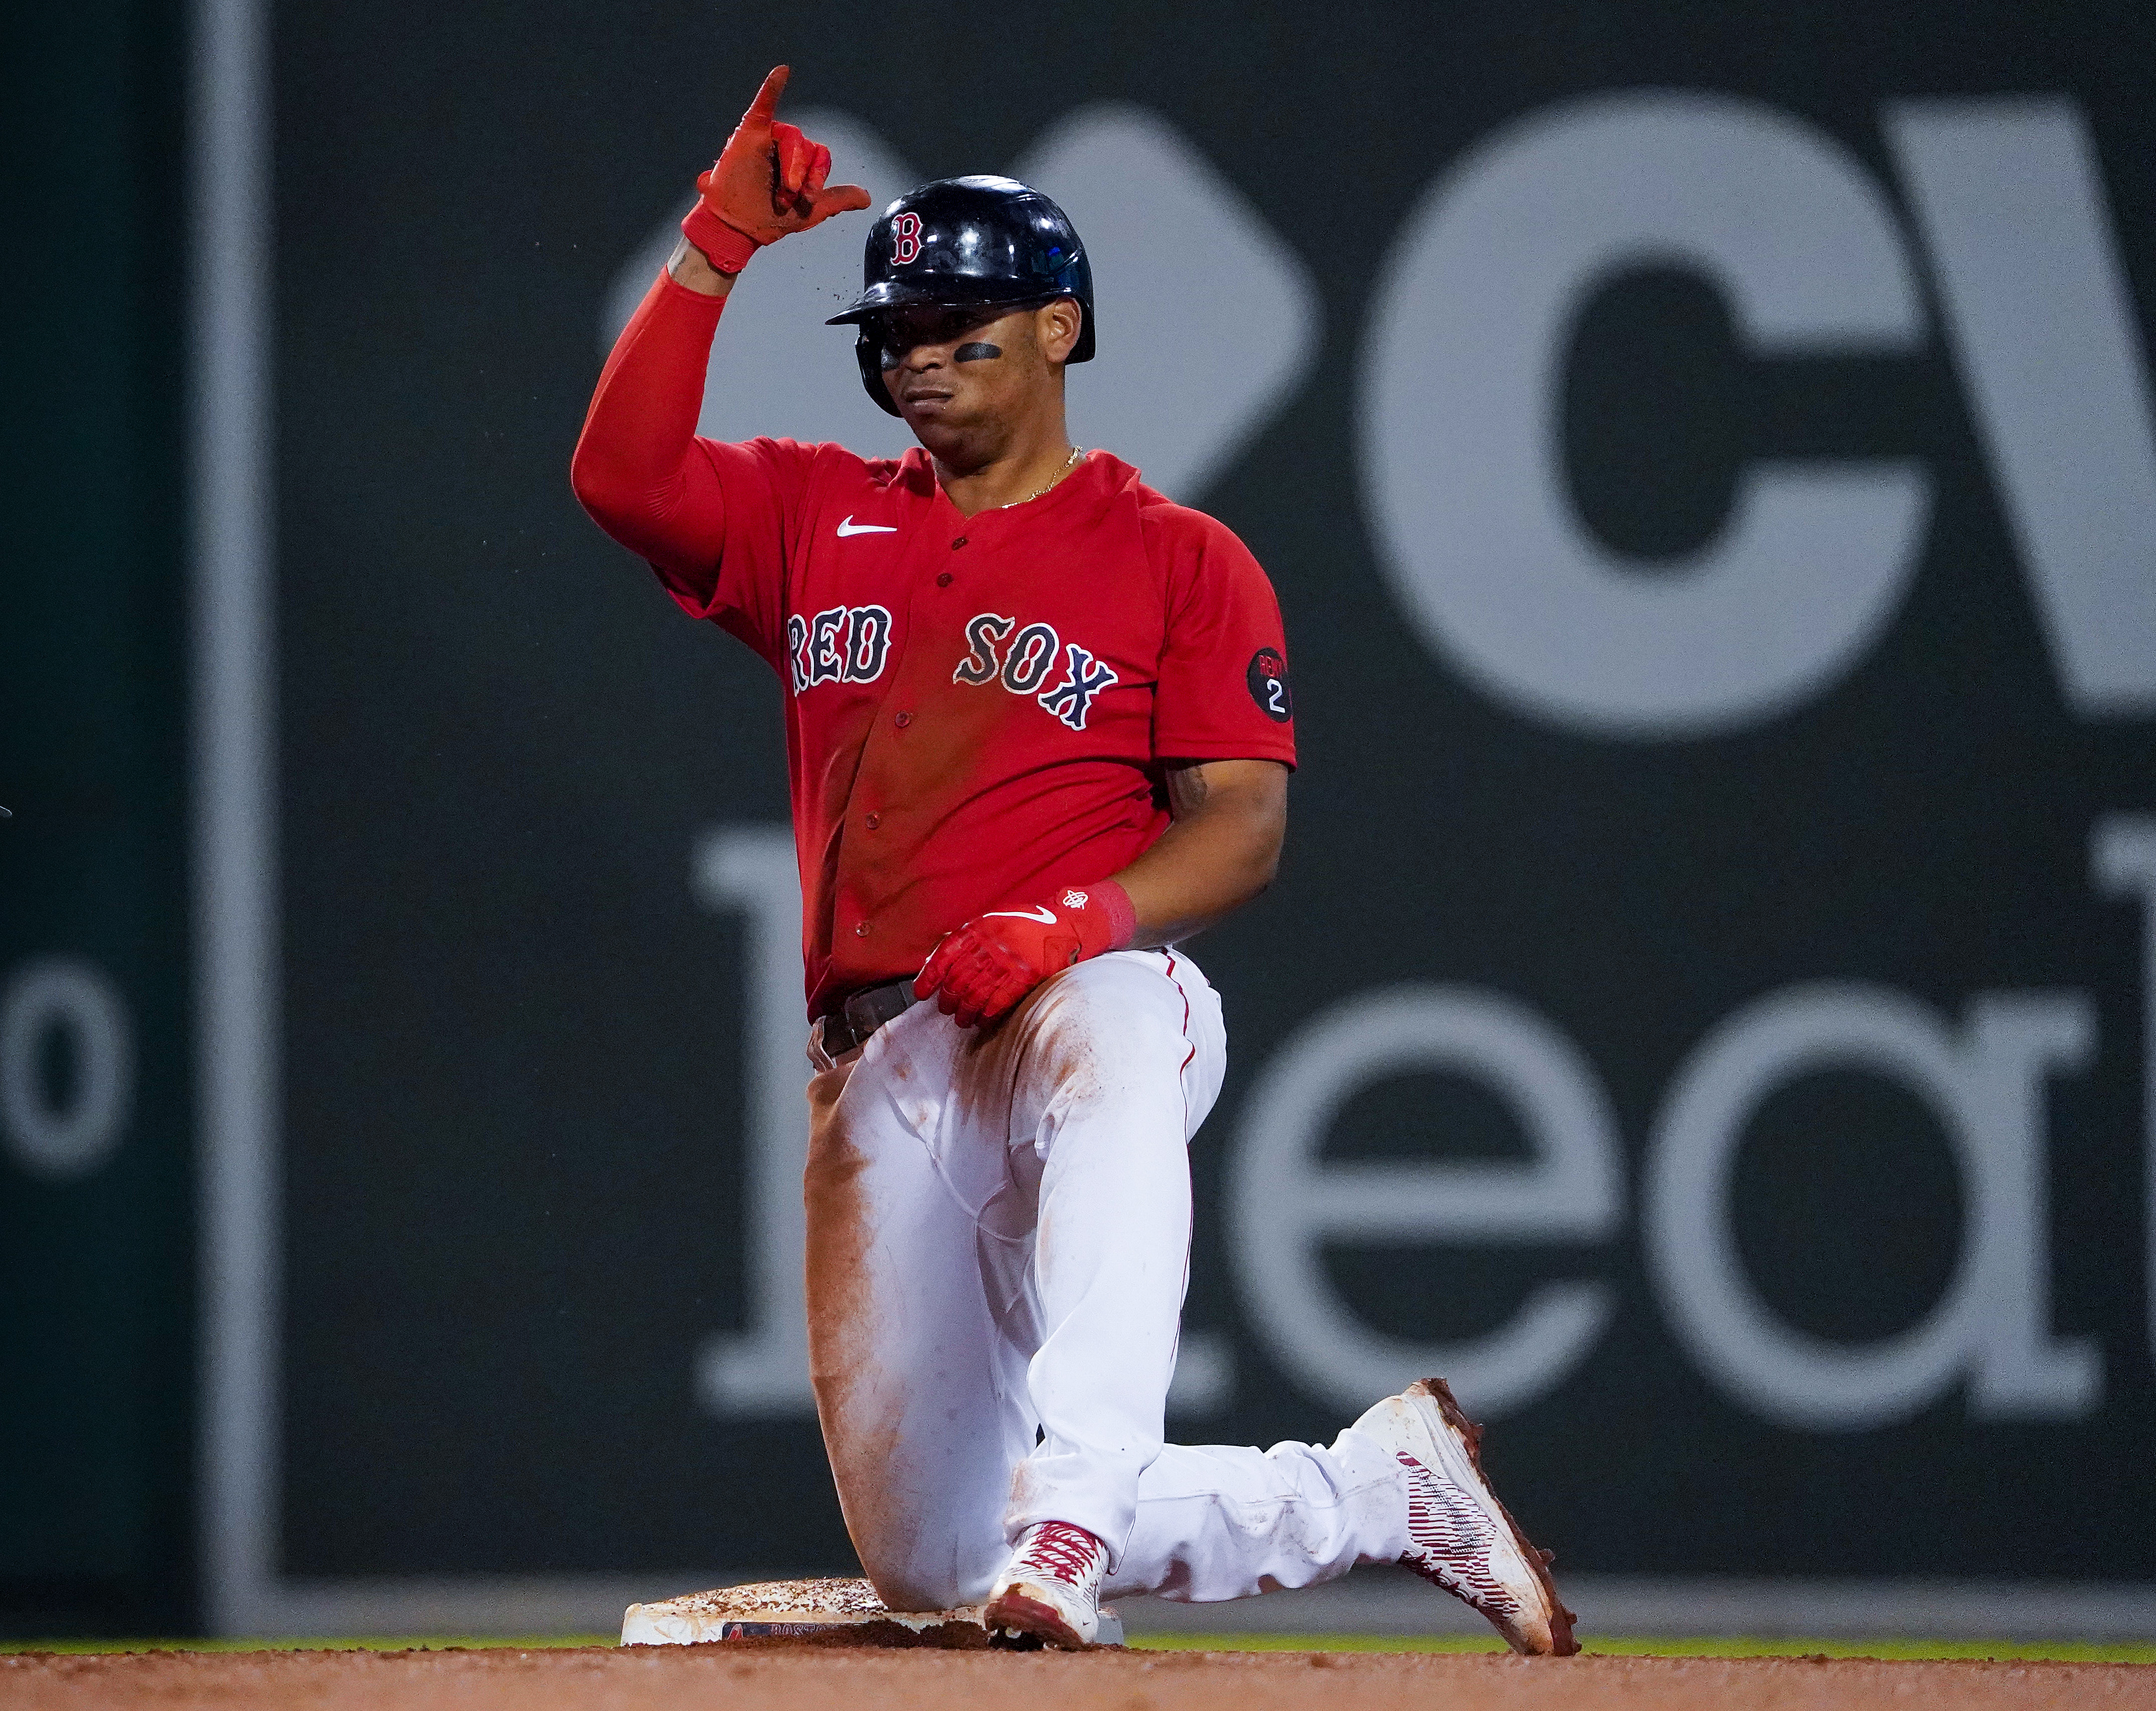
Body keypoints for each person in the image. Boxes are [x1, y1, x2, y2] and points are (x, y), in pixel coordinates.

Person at [571, 65, 1577, 1656]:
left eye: (953, 328)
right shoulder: (813, 515)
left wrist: (1068, 923)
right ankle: (1376, 1496)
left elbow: (1240, 829)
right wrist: (710, 250)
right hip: (878, 1057)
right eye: (892, 338)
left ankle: (1077, 1513)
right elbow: (619, 480)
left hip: (1073, 994)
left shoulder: (1178, 558)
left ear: (1058, 329)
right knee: (928, 1566)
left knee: (1115, 1032)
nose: (914, 363)